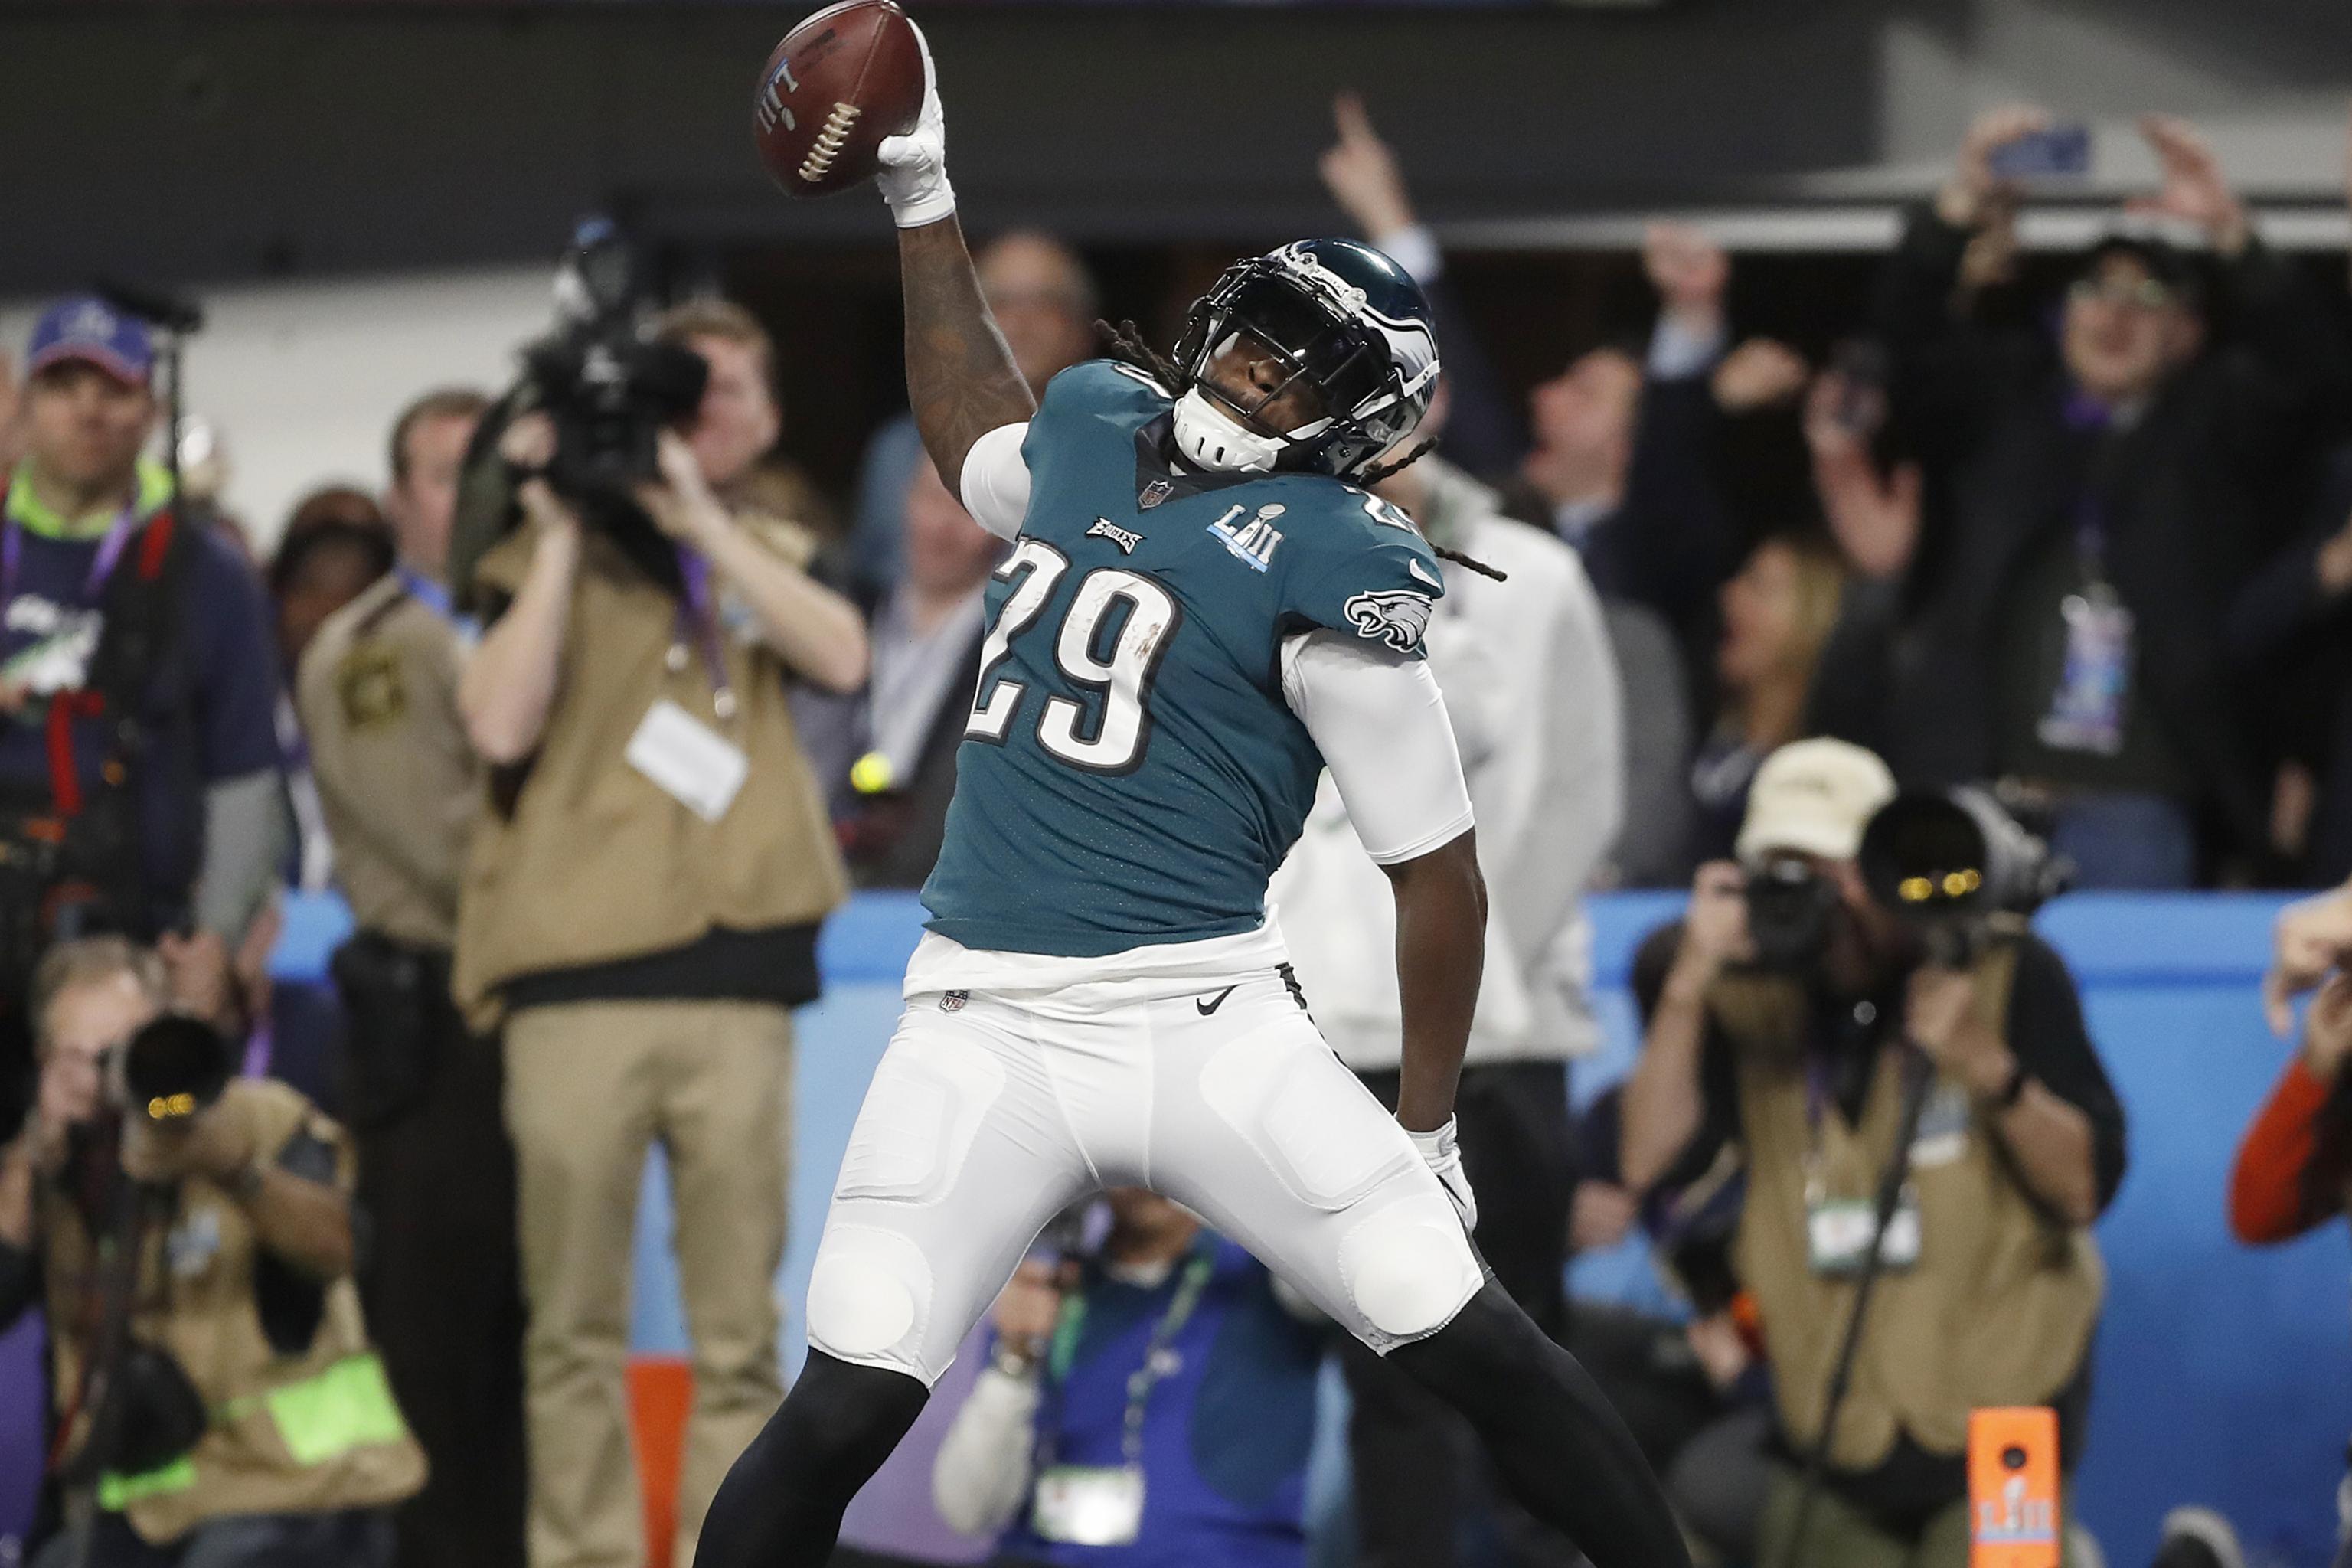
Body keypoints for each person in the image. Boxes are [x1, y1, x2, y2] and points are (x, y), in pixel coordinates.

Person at [692, 28, 1687, 1568]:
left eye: (1302, 369)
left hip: (1201, 1013)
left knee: (1477, 1343)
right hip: (987, 1017)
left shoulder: (1333, 558)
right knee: (838, 1407)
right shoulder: (1095, 428)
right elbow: (968, 434)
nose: (1253, 371)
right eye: (1256, 337)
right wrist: (921, 193)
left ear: (1355, 427)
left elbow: (1444, 875)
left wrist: (1425, 1122)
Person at [452, 289, 865, 1567]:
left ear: (765, 418)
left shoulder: (771, 545)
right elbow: (498, 723)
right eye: (677, 391)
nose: (697, 414)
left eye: (723, 392)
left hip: (739, 977)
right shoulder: (540, 549)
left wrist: (695, 517)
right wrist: (567, 518)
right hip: (572, 978)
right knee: (569, 1325)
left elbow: (843, 657)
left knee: (738, 1327)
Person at [1619, 739, 2126, 1568]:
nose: (1825, 903)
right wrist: (1687, 984)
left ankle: (2060, 1550)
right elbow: (1644, 1160)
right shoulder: (1748, 1003)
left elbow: (2081, 1190)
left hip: (2003, 1423)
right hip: (1836, 1443)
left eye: (1837, 870)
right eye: (1789, 875)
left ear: (1888, 864)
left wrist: (1983, 1062)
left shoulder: (2007, 973)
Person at [1268, 442, 1622, 1567]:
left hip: (1501, 1039)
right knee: (1394, 1372)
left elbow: (1578, 789)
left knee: (1526, 1359)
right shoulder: (1256, 563)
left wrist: (1472, 965)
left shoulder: (1534, 574)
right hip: (1339, 1042)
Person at [1876, 109, 2346, 887]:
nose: (2116, 314)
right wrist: (1960, 199)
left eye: (2148, 295)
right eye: (2096, 289)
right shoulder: (2007, 405)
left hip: (2142, 811)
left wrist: (2229, 231)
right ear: (2064, 317)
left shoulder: (2213, 429)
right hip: (1988, 795)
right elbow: (1903, 336)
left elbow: (2315, 374)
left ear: (2188, 334)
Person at [295, 389, 526, 1568]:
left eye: (497, 467)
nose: (481, 491)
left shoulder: (545, 621)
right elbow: (447, 857)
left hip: (538, 1025)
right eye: (447, 473)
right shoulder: (375, 649)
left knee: (541, 1357)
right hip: (438, 1031)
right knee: (440, 1359)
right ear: (400, 502)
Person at [0, 936, 423, 1567]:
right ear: (46, 1063)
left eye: (130, 1049)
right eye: (85, 1059)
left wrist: (231, 1168)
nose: (112, 1078)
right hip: (146, 1511)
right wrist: (32, 1159)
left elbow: (342, 1248)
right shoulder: (54, 1169)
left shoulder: (249, 1119)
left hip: (291, 1489)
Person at [0, 299, 286, 1115]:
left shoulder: (207, 570)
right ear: (25, 404)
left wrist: (216, 944)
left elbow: (244, 773)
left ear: (150, 411)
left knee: (146, 1160)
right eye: (64, 384)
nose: (88, 410)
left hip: (138, 938)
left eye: (114, 390)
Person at [929, 1189, 1325, 1567]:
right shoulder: (1049, 1287)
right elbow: (968, 1515)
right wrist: (1014, 1360)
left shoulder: (1265, 1274)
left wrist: (1207, 1186)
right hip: (1039, 1557)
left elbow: (1321, 1252)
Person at [851, 233, 1102, 595]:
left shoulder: (1118, 453)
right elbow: (872, 587)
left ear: (1081, 329)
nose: (1021, 323)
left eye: (1045, 304)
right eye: (1000, 303)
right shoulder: (902, 451)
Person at [802, 456, 1003, 888]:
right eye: (931, 498)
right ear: (904, 500)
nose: (941, 527)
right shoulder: (847, 615)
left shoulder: (1013, 649)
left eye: (967, 510)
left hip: (933, 889)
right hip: (823, 876)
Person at [1687, 534, 1851, 867]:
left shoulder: (1825, 777)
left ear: (1814, 617)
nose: (1729, 595)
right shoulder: (1706, 735)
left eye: (1759, 588)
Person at [381, 387, 492, 619]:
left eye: (487, 475)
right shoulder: (369, 634)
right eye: (449, 477)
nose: (473, 496)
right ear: (396, 501)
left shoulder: (562, 609)